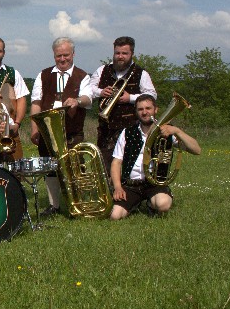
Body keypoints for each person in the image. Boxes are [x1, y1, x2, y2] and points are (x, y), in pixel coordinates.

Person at [109, 94, 200, 220]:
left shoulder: (167, 132)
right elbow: (116, 162)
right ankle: (134, 204)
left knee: (163, 205)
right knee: (114, 215)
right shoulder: (127, 132)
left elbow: (196, 150)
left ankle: (151, 205)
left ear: (156, 110)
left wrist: (177, 131)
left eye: (148, 108)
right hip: (130, 185)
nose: (144, 112)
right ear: (136, 112)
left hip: (154, 184)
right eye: (140, 109)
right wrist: (118, 187)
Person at [30, 37, 93, 216]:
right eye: (59, 56)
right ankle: (54, 205)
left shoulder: (82, 76)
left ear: (73, 54)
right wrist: (34, 128)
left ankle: (78, 205)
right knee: (50, 169)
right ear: (54, 55)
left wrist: (77, 100)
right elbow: (36, 103)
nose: (63, 59)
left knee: (76, 168)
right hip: (47, 133)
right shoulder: (43, 75)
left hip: (72, 133)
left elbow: (88, 99)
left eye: (66, 55)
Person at [89, 36, 157, 174]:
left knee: (129, 167)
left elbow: (152, 95)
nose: (120, 56)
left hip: (131, 128)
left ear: (132, 54)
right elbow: (89, 90)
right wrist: (101, 92)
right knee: (105, 169)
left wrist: (130, 98)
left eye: (124, 53)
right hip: (107, 131)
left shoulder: (141, 73)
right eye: (117, 53)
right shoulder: (102, 70)